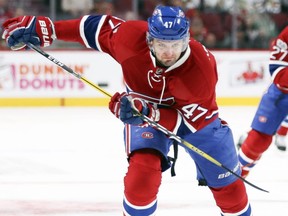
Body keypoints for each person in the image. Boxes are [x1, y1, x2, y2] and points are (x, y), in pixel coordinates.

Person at [1, 6, 253, 215]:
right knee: (141, 177)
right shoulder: (130, 37)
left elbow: (190, 122)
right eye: (162, 44)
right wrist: (47, 28)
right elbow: (94, 28)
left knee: (231, 194)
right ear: (149, 39)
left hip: (197, 122)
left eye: (176, 44)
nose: (169, 52)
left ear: (187, 39)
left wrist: (148, 111)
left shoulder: (201, 68)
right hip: (145, 113)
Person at [237, 26, 288, 178]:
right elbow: (278, 71)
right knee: (259, 140)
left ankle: (281, 134)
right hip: (283, 93)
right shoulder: (286, 35)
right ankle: (237, 176)